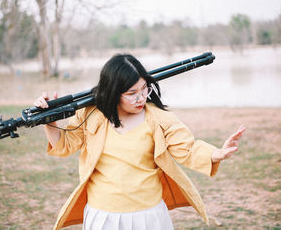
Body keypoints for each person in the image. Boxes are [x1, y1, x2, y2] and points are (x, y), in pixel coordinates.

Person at [34, 54, 246, 230]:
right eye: (131, 93)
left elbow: (187, 148)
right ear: (113, 93)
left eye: (144, 89)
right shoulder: (91, 115)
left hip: (148, 215)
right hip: (104, 215)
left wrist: (215, 154)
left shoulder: (157, 118)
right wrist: (49, 121)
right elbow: (64, 145)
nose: (141, 98)